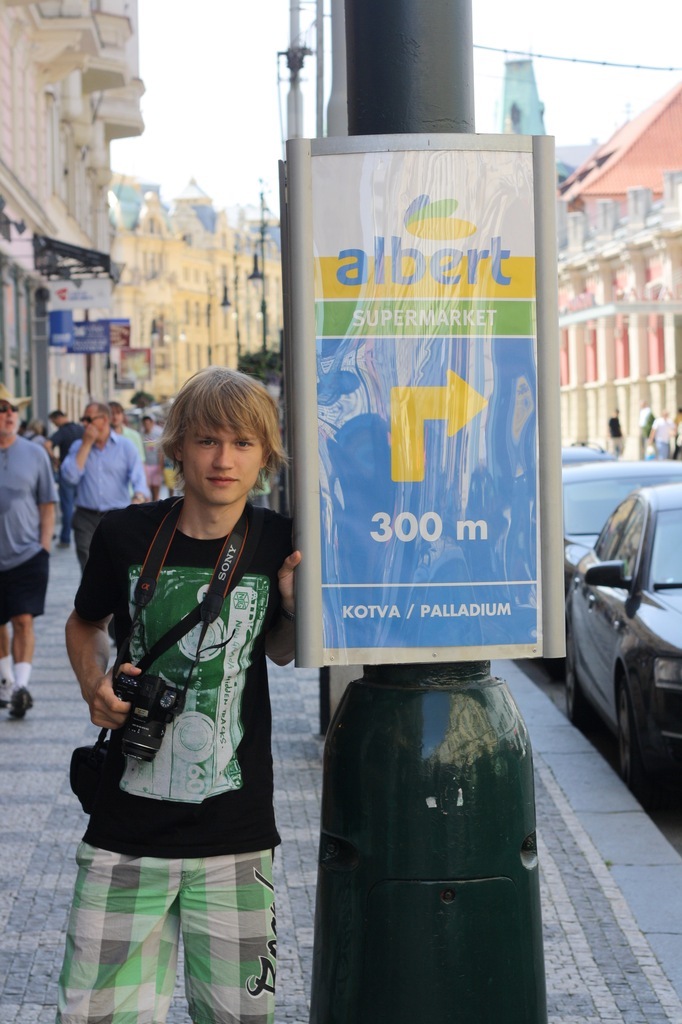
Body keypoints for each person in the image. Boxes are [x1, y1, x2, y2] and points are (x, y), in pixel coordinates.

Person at [56, 367, 301, 1024]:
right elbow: (83, 624)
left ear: (265, 455)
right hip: (125, 831)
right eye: (208, 440)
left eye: (243, 443)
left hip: (236, 836)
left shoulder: (278, 540)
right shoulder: (124, 535)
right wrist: (93, 685)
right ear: (178, 447)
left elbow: (280, 651)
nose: (224, 460)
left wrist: (291, 606)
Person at [0, 383, 58, 718]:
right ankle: (6, 681)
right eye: (2, 408)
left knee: (22, 619)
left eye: (13, 409)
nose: (9, 414)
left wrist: (44, 547)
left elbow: (47, 503)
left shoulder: (35, 453)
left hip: (27, 555)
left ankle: (21, 687)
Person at [61, 402, 150, 572]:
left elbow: (139, 479)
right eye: (83, 419)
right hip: (85, 517)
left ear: (104, 420)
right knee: (89, 568)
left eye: (89, 419)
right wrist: (86, 445)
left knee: (118, 566)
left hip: (117, 516)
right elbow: (70, 478)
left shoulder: (126, 446)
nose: (84, 424)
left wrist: (138, 498)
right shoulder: (78, 447)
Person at [46, 410, 84, 549]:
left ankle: (65, 538)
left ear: (58, 418)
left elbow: (47, 444)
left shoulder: (62, 431)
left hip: (67, 473)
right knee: (83, 507)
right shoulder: (80, 429)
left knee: (67, 507)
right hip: (82, 472)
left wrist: (55, 460)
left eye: (53, 421)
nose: (54, 424)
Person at [141, 412, 164, 500]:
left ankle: (156, 503)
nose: (147, 425)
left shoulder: (158, 433)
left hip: (156, 465)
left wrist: (161, 466)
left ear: (152, 423)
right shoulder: (141, 434)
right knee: (149, 489)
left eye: (148, 422)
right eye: (145, 423)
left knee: (156, 488)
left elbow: (161, 450)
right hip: (146, 466)